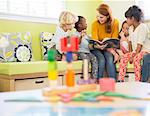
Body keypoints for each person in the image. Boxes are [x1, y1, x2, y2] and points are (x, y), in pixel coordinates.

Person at [118, 5, 150, 82]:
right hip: (135, 51)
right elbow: (130, 43)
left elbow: (139, 45)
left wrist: (133, 56)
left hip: (145, 51)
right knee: (124, 58)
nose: (126, 21)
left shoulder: (143, 27)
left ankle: (137, 81)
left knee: (136, 59)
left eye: (127, 19)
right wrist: (130, 54)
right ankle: (121, 79)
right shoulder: (131, 28)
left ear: (132, 18)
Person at [91, 3, 119, 81]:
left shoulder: (115, 23)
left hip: (108, 48)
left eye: (101, 17)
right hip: (97, 48)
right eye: (97, 16)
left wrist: (112, 51)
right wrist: (99, 46)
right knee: (101, 60)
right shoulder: (95, 24)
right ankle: (99, 83)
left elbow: (114, 40)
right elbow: (95, 41)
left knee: (110, 59)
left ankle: (114, 83)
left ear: (108, 16)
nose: (99, 19)